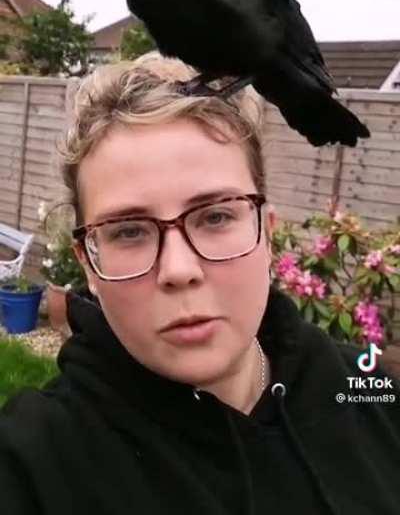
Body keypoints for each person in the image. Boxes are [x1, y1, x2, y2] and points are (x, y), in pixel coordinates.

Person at [0, 51, 399, 515]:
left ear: (266, 233)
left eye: (215, 216)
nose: (178, 269)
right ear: (88, 263)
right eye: (129, 230)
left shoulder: (375, 395)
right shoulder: (32, 464)